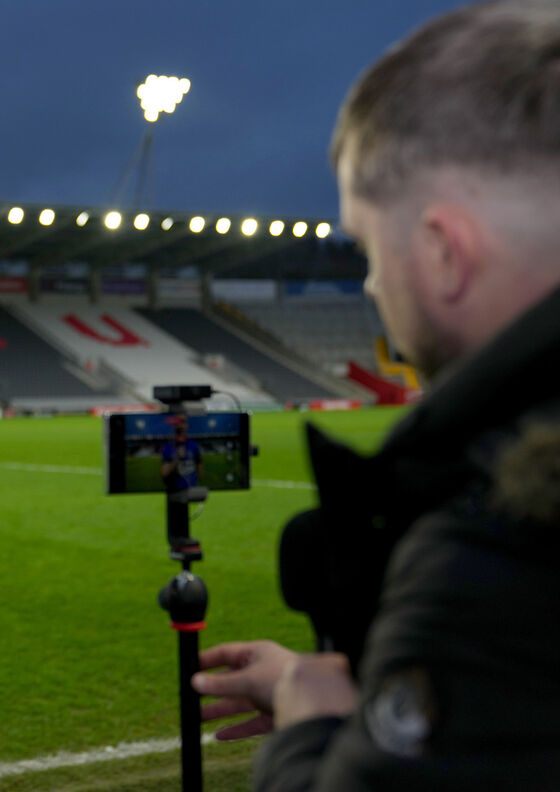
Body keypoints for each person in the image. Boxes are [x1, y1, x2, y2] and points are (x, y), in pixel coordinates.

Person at [190, 1, 560, 788]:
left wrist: (315, 726)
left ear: (442, 252)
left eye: (366, 247)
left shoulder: (498, 551)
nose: (371, 282)